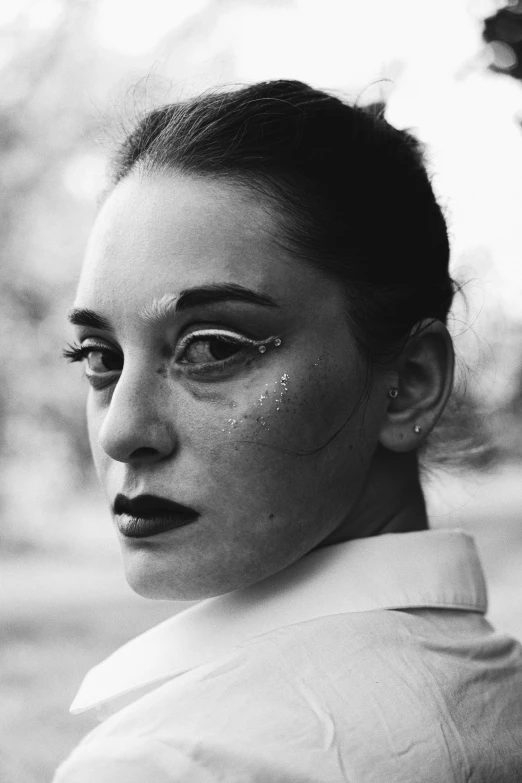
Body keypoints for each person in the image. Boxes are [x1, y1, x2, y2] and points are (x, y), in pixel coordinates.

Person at [53, 80, 522, 782]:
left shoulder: (174, 760)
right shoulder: (498, 695)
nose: (122, 430)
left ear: (411, 383)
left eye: (211, 348)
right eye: (100, 358)